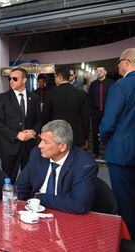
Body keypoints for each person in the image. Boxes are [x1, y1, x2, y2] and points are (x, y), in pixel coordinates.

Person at [16, 120, 98, 214]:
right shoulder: (37, 154)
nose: (40, 145)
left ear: (62, 147)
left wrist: (41, 197)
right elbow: (21, 187)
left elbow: (79, 205)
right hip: (35, 212)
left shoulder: (85, 165)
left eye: (46, 142)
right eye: (40, 139)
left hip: (66, 215)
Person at [99, 48, 135, 238]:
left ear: (127, 61)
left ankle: (129, 241)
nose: (118, 65)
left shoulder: (121, 86)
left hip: (122, 153)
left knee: (125, 201)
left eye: (120, 61)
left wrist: (104, 139)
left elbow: (108, 122)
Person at [0, 68, 41, 182]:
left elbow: (39, 120)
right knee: (7, 180)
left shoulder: (34, 97)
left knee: (29, 178)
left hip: (29, 147)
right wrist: (16, 135)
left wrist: (34, 131)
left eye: (15, 79)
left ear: (24, 80)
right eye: (10, 79)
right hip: (10, 146)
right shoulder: (3, 98)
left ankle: (26, 199)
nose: (11, 81)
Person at [41, 66, 90, 148]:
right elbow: (85, 118)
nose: (54, 79)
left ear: (60, 77)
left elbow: (45, 117)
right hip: (75, 136)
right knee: (75, 159)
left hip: (56, 136)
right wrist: (85, 137)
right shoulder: (81, 94)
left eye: (55, 77)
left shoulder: (50, 94)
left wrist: (43, 134)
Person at [88, 66, 114, 159]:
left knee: (107, 131)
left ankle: (109, 151)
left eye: (101, 71)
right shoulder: (93, 84)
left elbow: (114, 97)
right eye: (97, 71)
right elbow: (89, 98)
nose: (98, 73)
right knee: (95, 132)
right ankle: (96, 152)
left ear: (105, 72)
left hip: (107, 111)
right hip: (95, 112)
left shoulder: (111, 83)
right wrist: (91, 110)